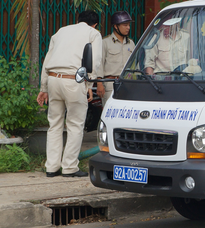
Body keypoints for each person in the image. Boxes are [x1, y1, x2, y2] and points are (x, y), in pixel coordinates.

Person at [37, 10, 102, 178]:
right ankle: (69, 167)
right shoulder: (93, 33)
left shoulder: (61, 31)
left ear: (78, 20)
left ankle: (51, 167)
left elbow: (47, 60)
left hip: (53, 79)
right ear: (95, 24)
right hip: (74, 80)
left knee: (54, 124)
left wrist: (43, 88)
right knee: (75, 125)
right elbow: (95, 61)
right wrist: (89, 84)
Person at [99, 11, 135, 103]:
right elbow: (99, 64)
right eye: (125, 25)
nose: (128, 28)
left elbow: (134, 65)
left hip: (128, 83)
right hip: (110, 84)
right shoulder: (105, 42)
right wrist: (99, 83)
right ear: (116, 26)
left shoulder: (131, 43)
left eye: (129, 25)